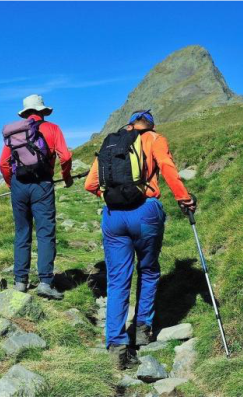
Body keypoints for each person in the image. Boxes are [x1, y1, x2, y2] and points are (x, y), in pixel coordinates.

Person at [84, 109, 196, 368]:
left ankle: (116, 344)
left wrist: (112, 197)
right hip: (146, 210)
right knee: (148, 269)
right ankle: (143, 330)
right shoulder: (155, 139)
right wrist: (183, 198)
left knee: (117, 279)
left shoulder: (112, 142)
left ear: (131, 124)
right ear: (151, 125)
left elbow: (90, 184)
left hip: (113, 216)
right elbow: (167, 168)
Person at [0, 94, 73, 300]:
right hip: (42, 184)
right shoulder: (53, 129)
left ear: (26, 112)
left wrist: (11, 184)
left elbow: (3, 164)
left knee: (22, 231)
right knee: (45, 232)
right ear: (42, 111)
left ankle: (20, 282)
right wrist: (66, 177)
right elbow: (65, 156)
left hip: (19, 185)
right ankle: (45, 282)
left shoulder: (16, 132)